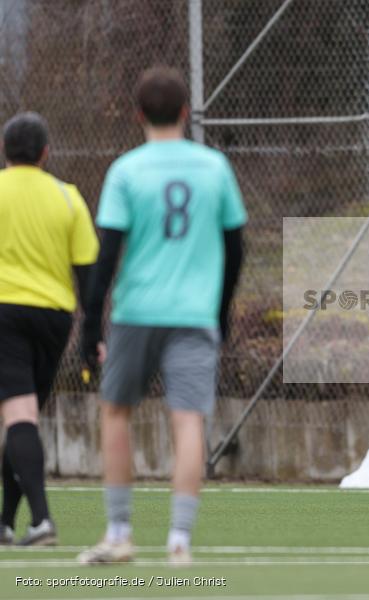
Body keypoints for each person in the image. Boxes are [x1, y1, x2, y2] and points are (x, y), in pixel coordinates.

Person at [77, 66, 246, 565]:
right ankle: (179, 541)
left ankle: (119, 532)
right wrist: (220, 311)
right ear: (186, 113)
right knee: (188, 419)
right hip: (194, 314)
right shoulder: (214, 167)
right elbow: (236, 248)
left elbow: (106, 257)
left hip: (136, 311)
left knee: (115, 411)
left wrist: (90, 328)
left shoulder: (126, 171)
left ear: (137, 115)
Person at [0, 112, 99, 546]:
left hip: (5, 313)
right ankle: (5, 522)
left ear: (4, 152)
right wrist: (94, 335)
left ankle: (41, 520)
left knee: (18, 417)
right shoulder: (68, 197)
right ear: (45, 153)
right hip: (55, 319)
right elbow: (89, 275)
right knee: (21, 418)